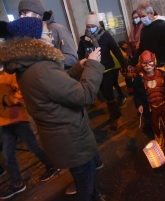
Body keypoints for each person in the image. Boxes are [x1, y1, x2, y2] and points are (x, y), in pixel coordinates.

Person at [0, 17, 104, 201]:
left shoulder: (29, 67)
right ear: (33, 41)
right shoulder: (41, 69)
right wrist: (94, 65)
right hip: (71, 139)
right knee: (85, 186)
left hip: (62, 137)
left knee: (87, 180)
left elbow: (56, 86)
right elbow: (84, 95)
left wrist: (79, 68)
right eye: (47, 34)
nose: (51, 38)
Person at [0, 63, 59, 199]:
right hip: (4, 122)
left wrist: (7, 100)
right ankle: (17, 184)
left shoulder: (9, 74)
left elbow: (21, 93)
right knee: (7, 154)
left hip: (18, 119)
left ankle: (51, 165)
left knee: (33, 147)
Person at [130, 2, 165, 133]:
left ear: (151, 14)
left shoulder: (161, 27)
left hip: (161, 68)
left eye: (143, 16)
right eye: (140, 17)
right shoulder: (144, 30)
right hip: (148, 68)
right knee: (152, 96)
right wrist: (133, 61)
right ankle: (157, 124)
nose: (141, 19)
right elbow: (142, 48)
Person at [78, 12, 127, 130]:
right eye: (88, 26)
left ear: (97, 25)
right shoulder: (84, 39)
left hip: (108, 69)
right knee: (104, 94)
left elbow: (116, 50)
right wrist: (83, 63)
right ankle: (116, 112)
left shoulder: (105, 36)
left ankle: (114, 117)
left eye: (92, 26)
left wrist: (124, 65)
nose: (90, 28)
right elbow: (80, 53)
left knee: (108, 92)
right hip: (94, 70)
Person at [133, 50, 165, 158]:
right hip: (151, 108)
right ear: (141, 63)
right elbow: (136, 95)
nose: (147, 65)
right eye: (144, 63)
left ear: (154, 61)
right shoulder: (138, 79)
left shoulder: (163, 74)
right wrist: (139, 104)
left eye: (150, 62)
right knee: (156, 128)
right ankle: (160, 146)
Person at [18, 0, 78, 70]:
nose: (22, 16)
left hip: (62, 77)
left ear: (37, 12)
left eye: (25, 12)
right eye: (20, 14)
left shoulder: (57, 29)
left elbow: (72, 58)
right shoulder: (29, 34)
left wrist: (47, 57)